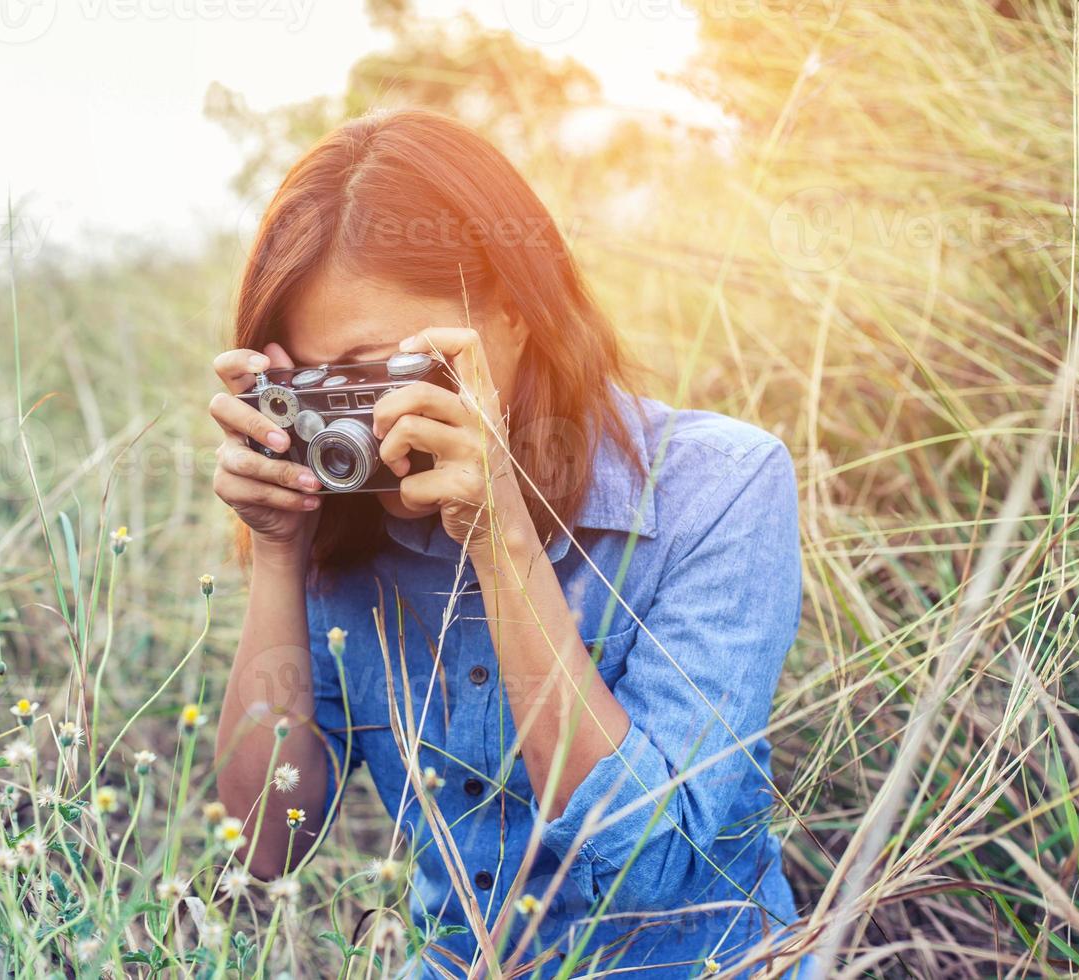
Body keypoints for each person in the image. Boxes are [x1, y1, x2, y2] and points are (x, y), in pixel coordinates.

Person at [211, 108, 805, 978]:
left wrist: (501, 541)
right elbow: (269, 845)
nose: (359, 423)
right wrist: (276, 552)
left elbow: (644, 873)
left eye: (379, 371)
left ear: (517, 312)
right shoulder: (342, 524)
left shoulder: (719, 488)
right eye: (318, 382)